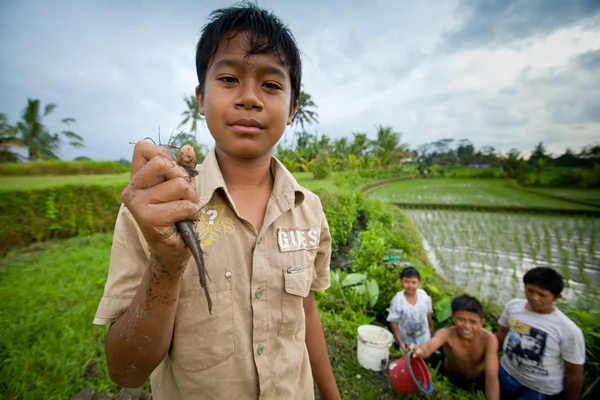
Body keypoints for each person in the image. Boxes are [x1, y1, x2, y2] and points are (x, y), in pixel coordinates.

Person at [93, 3, 341, 399]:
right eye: (228, 78)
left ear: (293, 107)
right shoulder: (155, 212)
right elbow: (126, 371)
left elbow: (306, 312)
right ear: (200, 98)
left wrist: (332, 395)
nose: (249, 99)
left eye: (271, 85)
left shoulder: (307, 208)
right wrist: (168, 262)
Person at [496, 267, 585, 400]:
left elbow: (574, 371)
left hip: (539, 390)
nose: (534, 297)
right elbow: (502, 332)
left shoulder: (568, 330)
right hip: (506, 374)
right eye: (530, 291)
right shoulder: (513, 306)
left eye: (542, 295)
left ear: (556, 297)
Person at [409, 294, 500, 400]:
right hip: (453, 378)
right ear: (453, 317)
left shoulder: (489, 340)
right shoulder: (446, 334)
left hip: (478, 379)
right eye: (460, 319)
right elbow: (429, 347)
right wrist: (420, 350)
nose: (466, 326)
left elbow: (492, 377)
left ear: (481, 323)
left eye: (473, 322)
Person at [386, 267, 434, 352]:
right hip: (406, 339)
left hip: (423, 337)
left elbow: (428, 314)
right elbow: (393, 322)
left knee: (421, 356)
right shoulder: (398, 300)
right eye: (406, 282)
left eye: (414, 282)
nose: (410, 285)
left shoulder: (423, 296)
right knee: (409, 357)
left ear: (419, 283)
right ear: (401, 282)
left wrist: (431, 329)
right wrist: (401, 344)